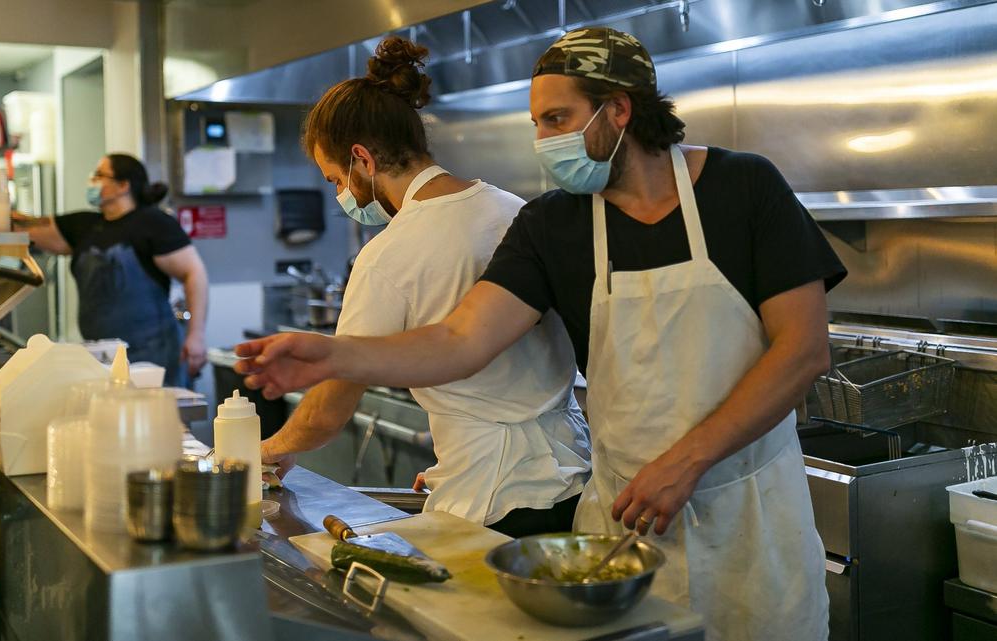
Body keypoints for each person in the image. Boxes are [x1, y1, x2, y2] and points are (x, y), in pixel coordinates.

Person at [237, 27, 845, 641]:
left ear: (619, 109)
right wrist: (333, 354)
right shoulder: (552, 223)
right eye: (537, 124)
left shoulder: (743, 187)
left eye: (558, 118)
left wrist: (686, 460)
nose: (544, 141)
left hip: (753, 516)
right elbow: (461, 339)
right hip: (625, 522)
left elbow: (802, 349)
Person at [259, 36, 591, 538]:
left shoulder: (388, 257)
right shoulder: (514, 209)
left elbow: (330, 406)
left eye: (335, 181)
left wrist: (266, 452)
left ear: (362, 160)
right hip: (575, 479)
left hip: (491, 500)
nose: (341, 195)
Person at [16, 153, 208, 387]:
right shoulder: (84, 226)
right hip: (102, 356)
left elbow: (194, 273)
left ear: (123, 185)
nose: (92, 181)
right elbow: (24, 227)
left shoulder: (154, 224)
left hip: (154, 356)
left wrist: (195, 335)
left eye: (99, 175)